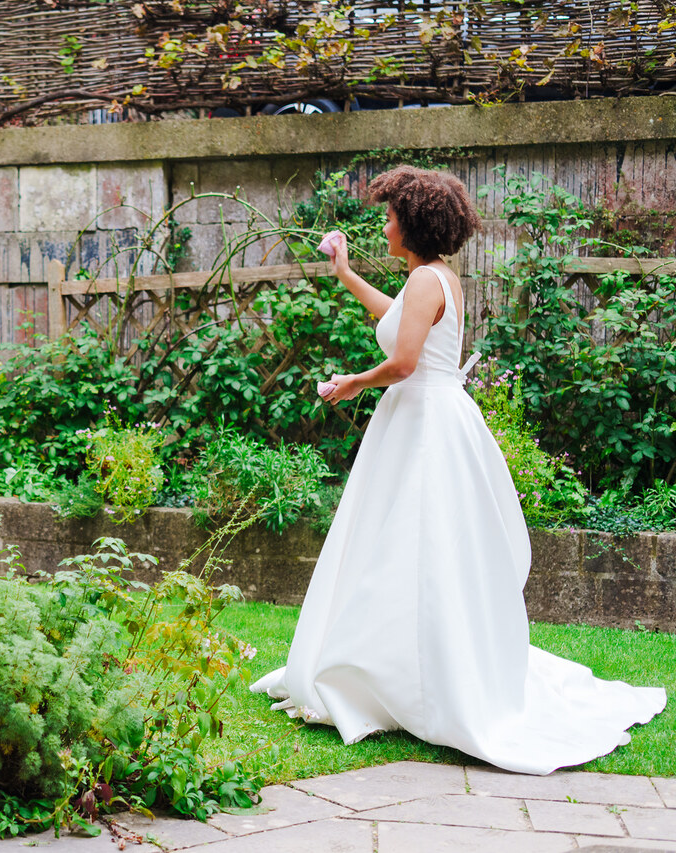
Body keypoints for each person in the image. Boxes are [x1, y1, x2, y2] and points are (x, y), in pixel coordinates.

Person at [249, 165, 667, 775]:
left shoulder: (427, 280)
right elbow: (397, 318)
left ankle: (418, 676)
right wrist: (345, 275)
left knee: (419, 547)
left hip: (424, 423)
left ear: (411, 222)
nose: (384, 223)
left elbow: (404, 362)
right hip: (424, 420)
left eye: (390, 215)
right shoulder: (433, 278)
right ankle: (392, 665)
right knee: (400, 546)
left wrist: (350, 383)